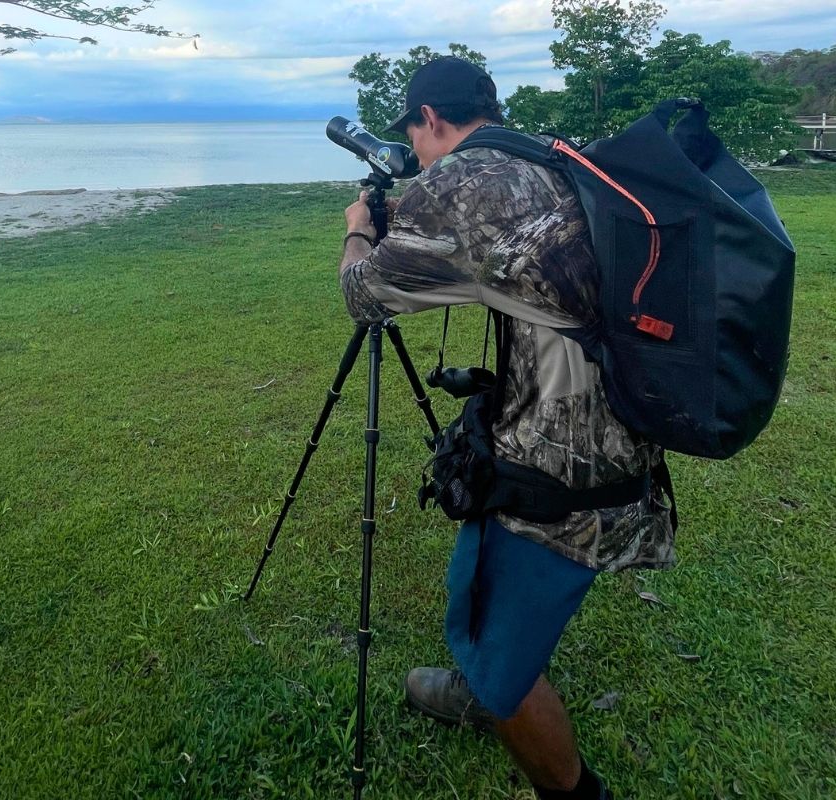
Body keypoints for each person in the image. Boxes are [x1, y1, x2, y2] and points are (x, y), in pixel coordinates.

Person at [339, 57, 675, 800]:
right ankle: (484, 684)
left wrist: (361, 231)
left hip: (560, 474)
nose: (418, 155)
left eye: (416, 136)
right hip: (628, 433)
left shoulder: (457, 182)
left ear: (429, 119)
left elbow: (364, 297)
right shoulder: (548, 154)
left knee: (498, 645)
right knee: (489, 603)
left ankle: (523, 725)